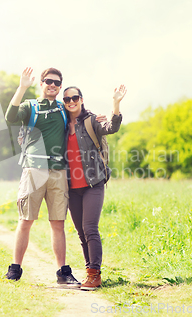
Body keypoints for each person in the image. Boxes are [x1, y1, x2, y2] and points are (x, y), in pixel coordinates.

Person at [4, 67, 80, 286]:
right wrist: (21, 87)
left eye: (56, 82)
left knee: (58, 223)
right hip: (33, 170)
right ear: (42, 83)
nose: (52, 85)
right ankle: (15, 269)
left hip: (58, 171)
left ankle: (62, 273)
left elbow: (82, 115)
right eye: (48, 81)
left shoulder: (63, 108)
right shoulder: (31, 106)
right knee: (26, 220)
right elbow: (10, 117)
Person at [63, 84, 126, 290]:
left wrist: (115, 104)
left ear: (81, 99)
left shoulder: (91, 121)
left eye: (75, 97)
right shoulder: (62, 125)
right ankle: (89, 271)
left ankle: (94, 275)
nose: (71, 101)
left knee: (90, 228)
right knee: (81, 232)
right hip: (72, 186)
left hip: (93, 183)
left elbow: (112, 128)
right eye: (67, 99)